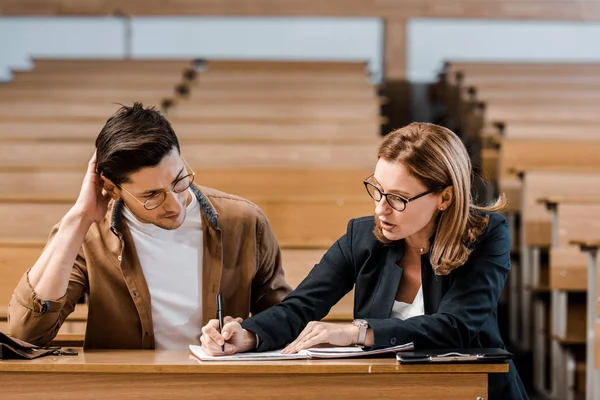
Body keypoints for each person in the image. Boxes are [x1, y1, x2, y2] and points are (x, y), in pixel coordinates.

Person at [200, 122, 528, 399]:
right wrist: (247, 335)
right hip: (388, 391)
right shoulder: (363, 236)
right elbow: (300, 307)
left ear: (445, 198)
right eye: (378, 190)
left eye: (398, 198)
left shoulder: (487, 235)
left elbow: (456, 327)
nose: (380, 209)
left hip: (477, 390)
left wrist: (359, 332)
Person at [8, 102, 292, 350]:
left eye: (179, 180)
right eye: (152, 195)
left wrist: (248, 334)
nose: (175, 204)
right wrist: (79, 218)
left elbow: (286, 320)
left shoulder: (245, 221)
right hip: (129, 389)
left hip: (219, 386)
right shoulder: (89, 235)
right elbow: (27, 334)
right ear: (111, 187)